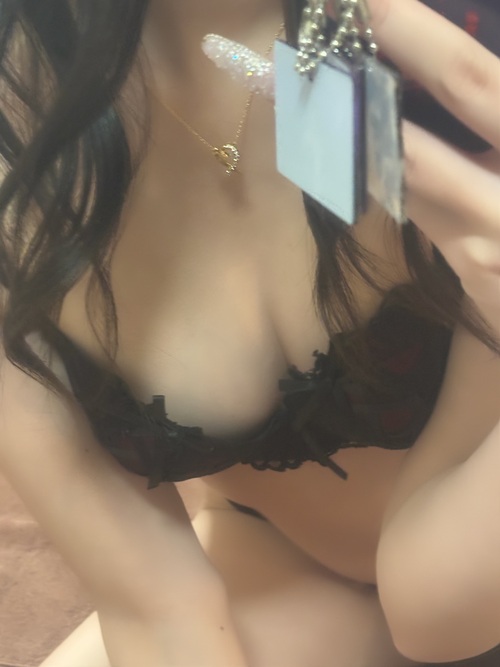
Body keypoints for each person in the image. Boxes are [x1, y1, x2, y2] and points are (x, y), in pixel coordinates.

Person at [0, 0, 499, 665]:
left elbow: (439, 615)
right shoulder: (20, 122)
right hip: (293, 559)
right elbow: (155, 605)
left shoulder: (448, 40)